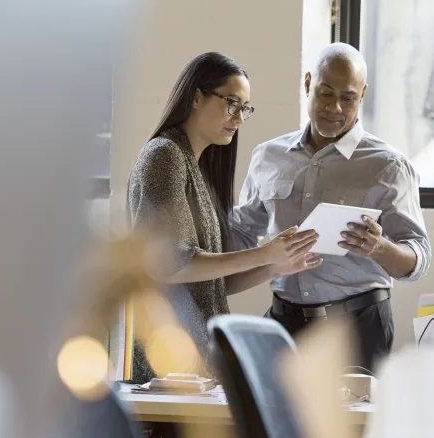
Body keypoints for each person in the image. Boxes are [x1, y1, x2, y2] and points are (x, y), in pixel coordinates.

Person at [231, 43, 431, 372]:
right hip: (283, 324)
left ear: (362, 95)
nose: (334, 107)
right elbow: (241, 232)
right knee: (272, 423)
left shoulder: (389, 165)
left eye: (348, 97)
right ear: (308, 83)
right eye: (326, 93)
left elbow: (418, 258)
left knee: (350, 425)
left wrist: (379, 248)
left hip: (357, 329)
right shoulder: (269, 156)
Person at [127, 52, 321, 381]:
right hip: (166, 364)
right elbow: (169, 265)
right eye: (232, 102)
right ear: (196, 97)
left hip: (198, 363)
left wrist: (273, 266)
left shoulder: (198, 167)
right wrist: (263, 252)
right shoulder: (165, 156)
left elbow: (213, 283)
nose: (240, 117)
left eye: (245, 108)